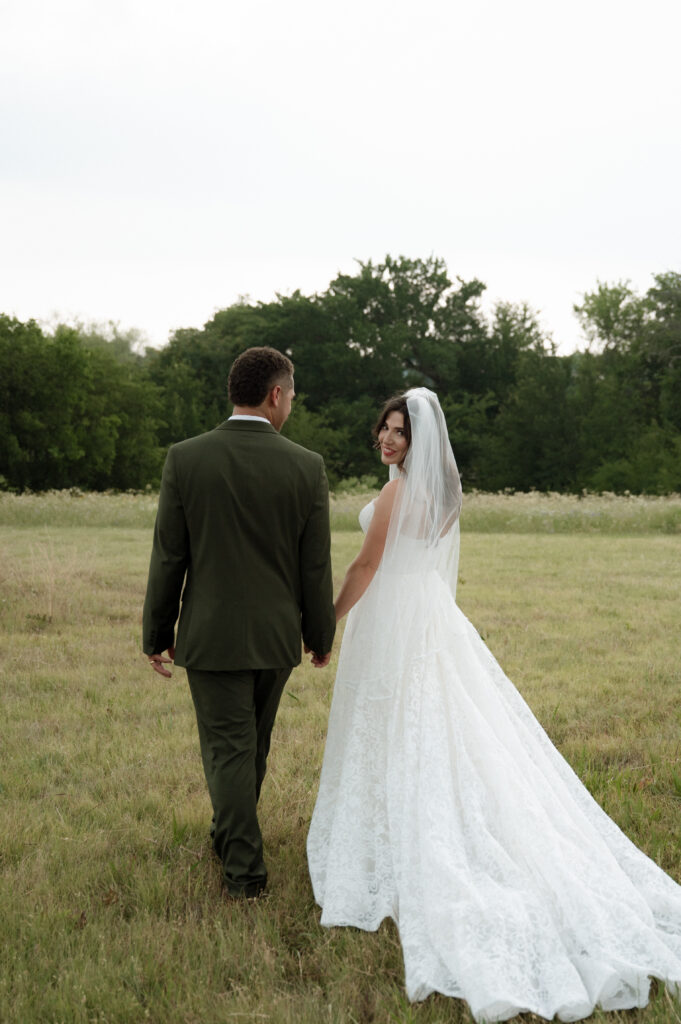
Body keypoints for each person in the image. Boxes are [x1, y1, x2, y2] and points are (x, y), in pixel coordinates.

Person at [307, 386, 681, 1021]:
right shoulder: (445, 496)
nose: (387, 440)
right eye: (385, 429)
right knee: (434, 726)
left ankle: (404, 840)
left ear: (418, 444)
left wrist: (326, 624)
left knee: (404, 726)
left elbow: (367, 567)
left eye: (399, 433)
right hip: (430, 616)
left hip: (395, 619)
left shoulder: (400, 492)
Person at [143, 346, 335, 899]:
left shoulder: (186, 458)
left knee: (233, 749)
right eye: (292, 395)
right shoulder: (306, 466)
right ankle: (235, 849)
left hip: (211, 635)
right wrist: (319, 635)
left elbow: (168, 556)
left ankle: (244, 873)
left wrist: (158, 634)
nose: (292, 405)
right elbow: (314, 566)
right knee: (250, 748)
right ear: (276, 394)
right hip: (276, 638)